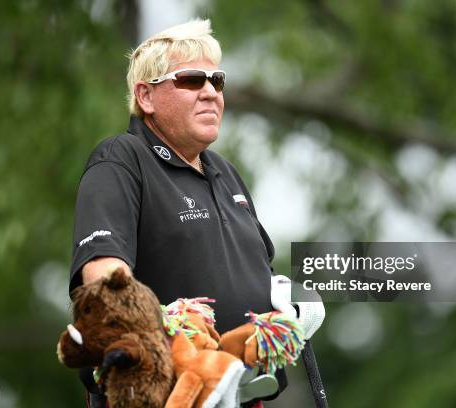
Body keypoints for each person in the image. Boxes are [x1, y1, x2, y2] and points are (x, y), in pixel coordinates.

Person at [68, 19, 324, 407]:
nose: (210, 92)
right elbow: (104, 277)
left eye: (216, 81)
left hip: (243, 394)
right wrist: (165, 336)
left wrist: (288, 302)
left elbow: (259, 274)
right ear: (146, 96)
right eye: (190, 80)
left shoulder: (225, 172)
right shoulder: (121, 159)